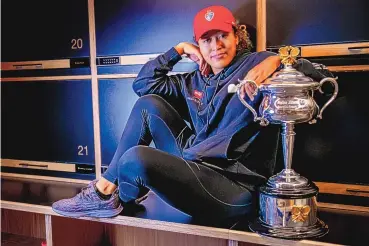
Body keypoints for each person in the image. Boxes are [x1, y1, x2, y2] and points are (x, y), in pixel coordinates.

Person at [52, 5, 321, 223]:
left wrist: (278, 60)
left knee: (134, 159)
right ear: (199, 46)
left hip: (232, 186)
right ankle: (107, 192)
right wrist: (178, 50)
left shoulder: (255, 64)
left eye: (222, 36)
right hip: (194, 163)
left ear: (236, 37)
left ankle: (117, 191)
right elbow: (143, 84)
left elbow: (320, 76)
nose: (216, 46)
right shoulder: (193, 80)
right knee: (148, 104)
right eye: (207, 40)